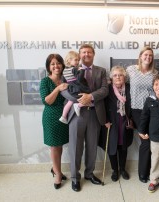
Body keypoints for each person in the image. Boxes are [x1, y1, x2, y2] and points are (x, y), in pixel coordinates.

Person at [63, 44, 109, 192]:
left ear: (93, 54)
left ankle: (89, 174)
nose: (86, 54)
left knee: (91, 147)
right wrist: (79, 100)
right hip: (76, 114)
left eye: (89, 52)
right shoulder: (70, 70)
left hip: (94, 113)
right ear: (79, 55)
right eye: (83, 52)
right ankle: (75, 178)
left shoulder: (101, 71)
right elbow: (64, 89)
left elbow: (104, 90)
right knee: (75, 147)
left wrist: (90, 97)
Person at [126, 46, 158, 183]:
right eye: (145, 55)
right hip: (136, 110)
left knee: (151, 140)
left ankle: (150, 171)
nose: (148, 57)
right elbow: (122, 85)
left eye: (150, 55)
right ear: (140, 56)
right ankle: (143, 173)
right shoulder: (131, 70)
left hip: (151, 109)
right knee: (145, 139)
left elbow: (157, 90)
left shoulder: (155, 73)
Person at [39, 53, 69, 189]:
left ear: (62, 65)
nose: (56, 66)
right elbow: (47, 101)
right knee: (54, 146)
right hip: (51, 116)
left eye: (58, 63)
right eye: (52, 64)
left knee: (59, 145)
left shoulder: (66, 78)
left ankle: (56, 169)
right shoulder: (45, 81)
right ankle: (57, 174)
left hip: (65, 115)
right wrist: (58, 88)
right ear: (49, 67)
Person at [99, 66, 133, 182]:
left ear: (125, 77)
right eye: (115, 75)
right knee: (111, 147)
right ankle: (115, 170)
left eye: (120, 75)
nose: (118, 77)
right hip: (111, 122)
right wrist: (105, 120)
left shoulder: (129, 88)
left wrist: (132, 120)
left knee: (123, 147)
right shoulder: (107, 89)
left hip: (124, 121)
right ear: (111, 78)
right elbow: (102, 106)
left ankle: (123, 169)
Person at [59, 51, 90, 124]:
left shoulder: (64, 71)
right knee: (90, 100)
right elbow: (79, 79)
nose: (77, 62)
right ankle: (78, 105)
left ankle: (63, 116)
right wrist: (82, 71)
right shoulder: (74, 69)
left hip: (71, 90)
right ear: (69, 60)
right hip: (78, 89)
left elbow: (64, 81)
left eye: (78, 60)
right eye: (75, 60)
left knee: (70, 102)